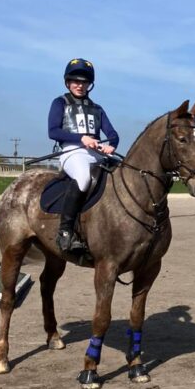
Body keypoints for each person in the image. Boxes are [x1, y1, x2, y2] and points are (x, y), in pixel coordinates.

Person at [47, 58, 119, 254]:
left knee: (122, 174)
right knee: (83, 177)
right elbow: (53, 131)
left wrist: (111, 145)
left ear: (89, 85)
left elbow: (112, 134)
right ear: (67, 82)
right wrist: (82, 139)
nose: (80, 85)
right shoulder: (59, 103)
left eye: (84, 82)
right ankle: (65, 232)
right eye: (75, 81)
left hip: (95, 153)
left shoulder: (97, 108)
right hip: (71, 152)